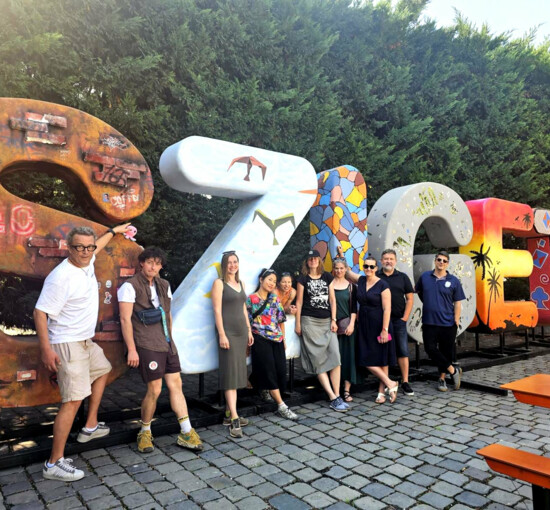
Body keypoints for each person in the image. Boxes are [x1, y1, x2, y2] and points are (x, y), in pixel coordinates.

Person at [34, 223, 131, 481]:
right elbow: (40, 312)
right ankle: (53, 463)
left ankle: (89, 425)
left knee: (103, 369)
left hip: (85, 341)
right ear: (69, 247)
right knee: (72, 401)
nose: (86, 251)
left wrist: (114, 231)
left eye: (89, 247)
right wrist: (46, 349)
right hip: (67, 343)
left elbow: (97, 246)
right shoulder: (61, 277)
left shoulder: (86, 261)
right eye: (80, 247)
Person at [118, 247, 203, 453]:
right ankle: (145, 432)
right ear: (142, 263)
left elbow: (168, 314)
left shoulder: (164, 285)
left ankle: (186, 432)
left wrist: (171, 340)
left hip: (166, 343)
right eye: (149, 262)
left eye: (157, 264)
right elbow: (125, 319)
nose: (153, 267)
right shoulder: (129, 286)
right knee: (155, 388)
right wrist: (131, 349)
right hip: (146, 342)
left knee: (176, 384)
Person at [295, 249, 348, 412]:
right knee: (318, 361)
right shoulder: (302, 279)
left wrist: (333, 319)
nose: (313, 260)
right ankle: (332, 397)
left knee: (335, 357)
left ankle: (337, 394)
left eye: (315, 258)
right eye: (310, 258)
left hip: (327, 322)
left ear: (319, 260)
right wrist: (298, 323)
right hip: (309, 322)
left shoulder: (327, 277)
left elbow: (332, 300)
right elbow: (299, 302)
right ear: (307, 261)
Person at [211, 251, 254, 438]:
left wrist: (249, 330)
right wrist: (222, 334)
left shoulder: (241, 283)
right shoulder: (219, 283)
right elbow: (216, 310)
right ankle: (235, 418)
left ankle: (229, 414)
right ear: (224, 265)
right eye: (229, 262)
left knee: (237, 372)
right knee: (229, 373)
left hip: (241, 332)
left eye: (235, 262)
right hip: (227, 332)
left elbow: (243, 308)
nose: (232, 265)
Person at [345, 255, 399, 403]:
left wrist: (385, 329)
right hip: (364, 325)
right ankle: (391, 383)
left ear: (376, 268)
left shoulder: (383, 285)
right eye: (366, 266)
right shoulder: (361, 280)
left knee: (383, 359)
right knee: (364, 358)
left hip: (380, 325)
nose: (368, 269)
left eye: (371, 266)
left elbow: (387, 309)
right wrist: (341, 255)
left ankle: (381, 392)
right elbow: (347, 272)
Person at [247, 268, 298, 421]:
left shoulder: (275, 299)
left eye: (274, 281)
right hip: (260, 338)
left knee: (281, 371)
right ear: (261, 280)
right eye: (269, 279)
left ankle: (261, 386)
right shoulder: (251, 299)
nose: (272, 283)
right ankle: (282, 406)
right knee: (269, 370)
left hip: (277, 339)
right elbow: (247, 322)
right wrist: (247, 344)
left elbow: (281, 320)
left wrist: (283, 339)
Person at [415, 250, 465, 392]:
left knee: (445, 351)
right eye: (439, 259)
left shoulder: (454, 280)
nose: (441, 262)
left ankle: (442, 379)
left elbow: (457, 302)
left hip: (448, 323)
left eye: (444, 261)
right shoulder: (425, 277)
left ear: (447, 263)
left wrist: (456, 320)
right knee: (430, 349)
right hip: (429, 321)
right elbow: (417, 292)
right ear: (435, 261)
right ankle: (453, 371)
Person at [377, 249, 415, 396]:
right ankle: (385, 381)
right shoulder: (376, 276)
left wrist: (405, 317)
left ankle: (405, 381)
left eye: (391, 259)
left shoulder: (403, 277)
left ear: (395, 261)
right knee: (383, 350)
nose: (388, 261)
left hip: (398, 320)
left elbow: (410, 298)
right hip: (381, 321)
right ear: (381, 261)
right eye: (386, 259)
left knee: (402, 350)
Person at [332, 257, 358, 402]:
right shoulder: (329, 285)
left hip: (347, 327)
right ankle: (335, 389)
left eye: (342, 268)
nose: (339, 271)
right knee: (335, 358)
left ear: (346, 269)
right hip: (332, 327)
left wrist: (352, 324)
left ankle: (347, 390)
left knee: (348, 358)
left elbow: (354, 308)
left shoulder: (351, 287)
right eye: (337, 268)